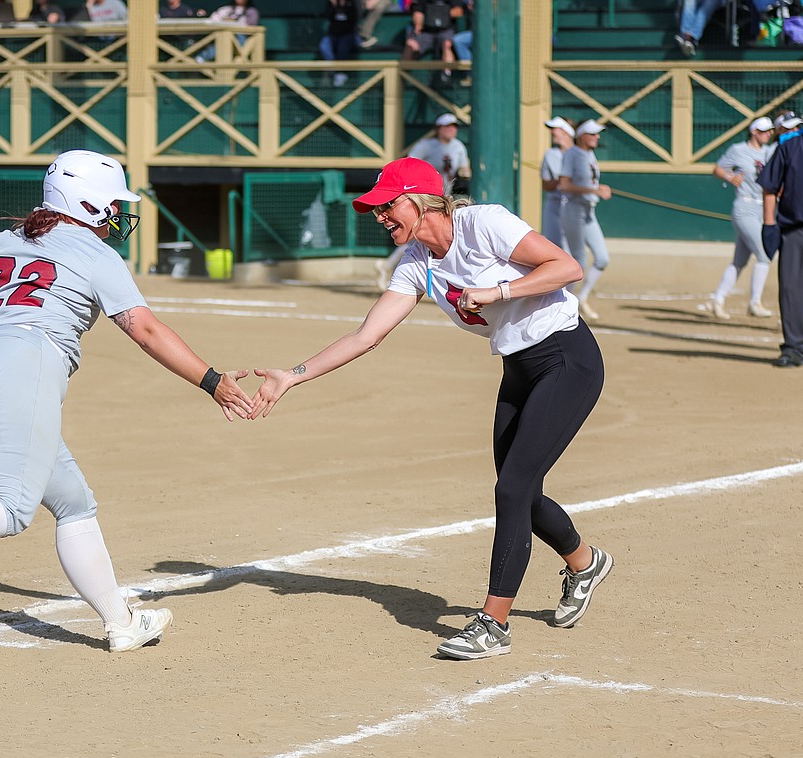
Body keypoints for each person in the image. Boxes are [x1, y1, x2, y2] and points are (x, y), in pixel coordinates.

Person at [0, 150, 253, 652]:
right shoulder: (96, 254)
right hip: (25, 366)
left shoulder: (5, 240)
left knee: (73, 504)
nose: (117, 215)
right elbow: (146, 329)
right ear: (87, 204)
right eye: (112, 204)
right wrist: (212, 380)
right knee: (9, 506)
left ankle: (121, 622)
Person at [250, 157, 613, 660]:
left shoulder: (483, 223)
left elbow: (565, 268)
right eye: (375, 209)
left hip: (567, 358)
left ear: (421, 200)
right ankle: (585, 562)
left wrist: (498, 290)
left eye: (387, 206)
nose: (379, 217)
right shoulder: (416, 262)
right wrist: (293, 375)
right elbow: (366, 335)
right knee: (521, 493)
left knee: (512, 487)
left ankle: (493, 625)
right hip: (518, 368)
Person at [759, 88, 803, 368]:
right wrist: (769, 225)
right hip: (794, 232)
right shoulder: (789, 146)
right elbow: (769, 188)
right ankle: (794, 348)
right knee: (792, 292)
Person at [375, 112, 471, 287]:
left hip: (444, 197)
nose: (451, 130)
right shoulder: (427, 146)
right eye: (447, 126)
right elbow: (408, 166)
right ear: (438, 129)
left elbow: (465, 168)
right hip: (422, 197)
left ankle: (387, 265)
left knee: (424, 237)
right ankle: (390, 266)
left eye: (454, 126)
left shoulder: (458, 147)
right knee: (420, 236)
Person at [702, 117, 776, 320]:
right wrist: (729, 177)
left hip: (764, 207)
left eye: (769, 131)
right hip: (745, 206)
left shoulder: (770, 151)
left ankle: (717, 300)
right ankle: (755, 302)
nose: (767, 134)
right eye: (763, 131)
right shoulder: (738, 150)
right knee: (764, 255)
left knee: (739, 261)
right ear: (754, 131)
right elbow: (718, 168)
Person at [558, 118, 612, 322]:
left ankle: (581, 298)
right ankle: (561, 304)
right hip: (573, 211)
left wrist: (595, 190)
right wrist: (594, 190)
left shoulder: (589, 154)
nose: (597, 137)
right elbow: (564, 185)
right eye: (593, 133)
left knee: (602, 258)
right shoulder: (572, 154)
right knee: (578, 260)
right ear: (581, 136)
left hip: (588, 211)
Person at [540, 116, 575, 251]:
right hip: (554, 206)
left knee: (572, 251)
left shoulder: (581, 154)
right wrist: (560, 181)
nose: (552, 132)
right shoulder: (550, 154)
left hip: (574, 207)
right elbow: (546, 185)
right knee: (553, 248)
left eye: (555, 129)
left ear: (566, 131)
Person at [321, 0, 363, 88]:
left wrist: (344, 6)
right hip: (333, 34)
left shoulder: (353, 3)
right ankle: (334, 70)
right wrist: (334, 6)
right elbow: (328, 17)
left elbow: (355, 18)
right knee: (324, 46)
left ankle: (339, 72)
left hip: (349, 34)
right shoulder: (331, 3)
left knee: (343, 47)